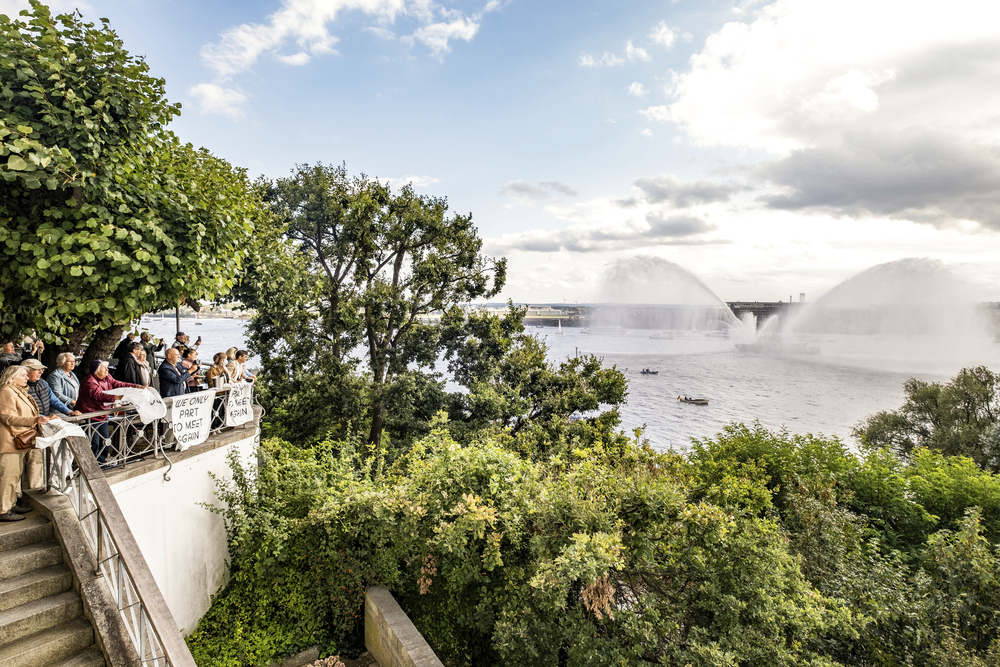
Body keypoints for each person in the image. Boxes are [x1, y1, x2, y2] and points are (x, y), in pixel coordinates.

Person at [0, 366, 52, 522]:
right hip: (9, 441)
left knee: (15, 474)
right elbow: (8, 417)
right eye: (23, 375)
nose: (26, 377)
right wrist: (34, 420)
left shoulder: (17, 390)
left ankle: (11, 504)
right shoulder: (6, 391)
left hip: (16, 440)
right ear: (12, 377)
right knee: (8, 476)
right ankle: (3, 509)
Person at [76, 360, 142, 464]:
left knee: (105, 441)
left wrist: (136, 386)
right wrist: (117, 397)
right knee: (94, 443)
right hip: (91, 414)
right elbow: (98, 395)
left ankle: (102, 462)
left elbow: (117, 383)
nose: (107, 370)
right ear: (97, 371)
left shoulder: (107, 377)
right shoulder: (89, 381)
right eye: (104, 368)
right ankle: (92, 465)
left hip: (102, 414)